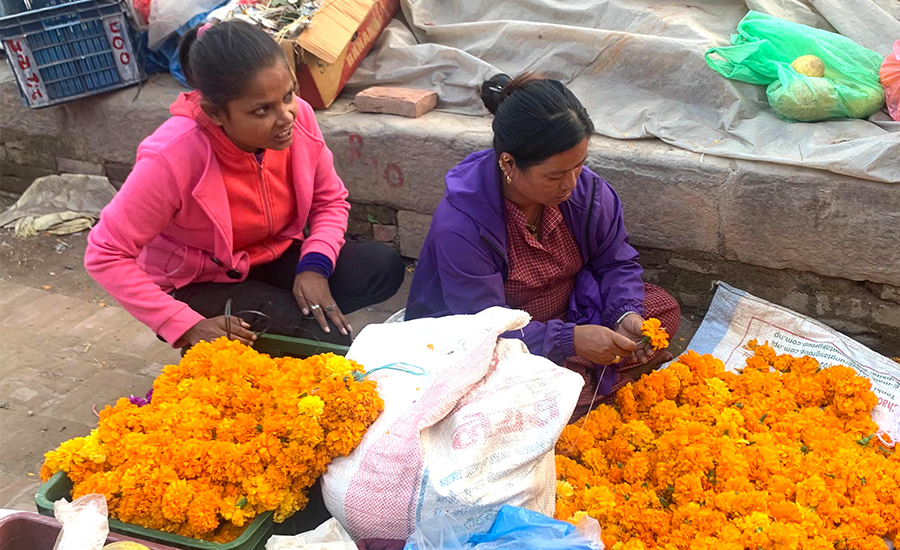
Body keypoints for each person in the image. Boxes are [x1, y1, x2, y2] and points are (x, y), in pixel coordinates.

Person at [85, 20, 405, 352]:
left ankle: (271, 328)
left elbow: (329, 201)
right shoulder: (171, 156)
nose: (286, 118)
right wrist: (184, 323)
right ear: (216, 113)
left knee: (381, 268)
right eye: (262, 110)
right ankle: (222, 339)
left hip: (271, 256)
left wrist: (315, 267)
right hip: (199, 280)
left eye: (288, 95)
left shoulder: (300, 119)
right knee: (324, 342)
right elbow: (105, 253)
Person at [406, 74, 681, 420]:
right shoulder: (463, 225)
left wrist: (624, 314)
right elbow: (483, 326)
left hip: (571, 309)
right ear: (508, 164)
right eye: (554, 176)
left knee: (662, 311)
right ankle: (588, 381)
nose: (571, 184)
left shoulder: (588, 194)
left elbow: (615, 264)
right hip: (497, 336)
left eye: (579, 167)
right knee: (509, 395)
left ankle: (585, 380)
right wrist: (570, 341)